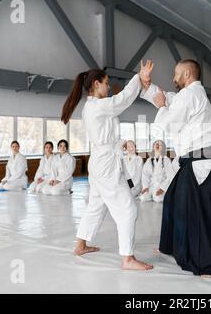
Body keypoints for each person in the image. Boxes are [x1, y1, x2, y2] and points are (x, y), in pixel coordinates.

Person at [141, 59, 211, 276]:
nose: (173, 78)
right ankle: (172, 246)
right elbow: (167, 98)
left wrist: (162, 105)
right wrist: (146, 84)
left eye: (176, 74)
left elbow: (168, 122)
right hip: (192, 160)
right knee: (172, 200)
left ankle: (209, 263)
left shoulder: (191, 95)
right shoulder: (188, 95)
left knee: (199, 214)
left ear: (188, 74)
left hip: (200, 162)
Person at [61, 60, 154, 270]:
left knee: (96, 205)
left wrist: (122, 143)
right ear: (96, 84)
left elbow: (107, 137)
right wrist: (138, 78)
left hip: (100, 161)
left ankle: (81, 245)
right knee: (128, 209)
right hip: (106, 166)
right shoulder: (98, 106)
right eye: (106, 83)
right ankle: (127, 259)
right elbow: (122, 99)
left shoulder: (93, 107)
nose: (109, 87)